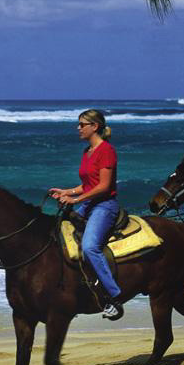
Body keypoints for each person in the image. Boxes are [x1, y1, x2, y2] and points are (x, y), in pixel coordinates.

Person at [49, 109, 124, 320]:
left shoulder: (106, 150)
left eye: (82, 124)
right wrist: (67, 192)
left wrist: (75, 200)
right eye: (79, 124)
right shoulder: (87, 152)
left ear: (95, 127)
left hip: (104, 206)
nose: (78, 128)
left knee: (90, 247)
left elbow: (104, 186)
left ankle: (113, 296)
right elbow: (87, 184)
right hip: (88, 204)